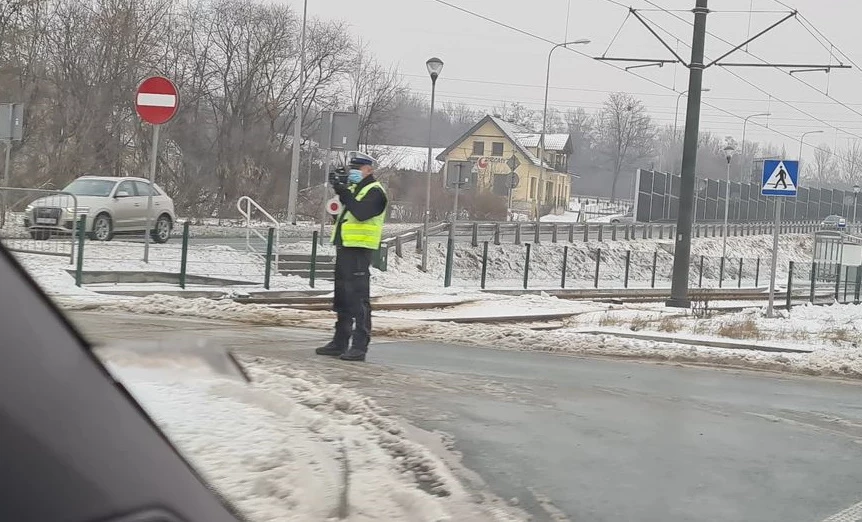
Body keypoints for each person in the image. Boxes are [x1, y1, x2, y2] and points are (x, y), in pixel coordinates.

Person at [315, 152, 387, 362]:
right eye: (351, 167)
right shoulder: (356, 189)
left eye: (358, 168)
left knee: (358, 297)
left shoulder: (375, 192)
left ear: (369, 170)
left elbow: (361, 213)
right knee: (343, 297)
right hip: (345, 246)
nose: (353, 171)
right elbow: (341, 215)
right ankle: (340, 341)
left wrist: (344, 191)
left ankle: (359, 345)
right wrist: (339, 191)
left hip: (360, 249)